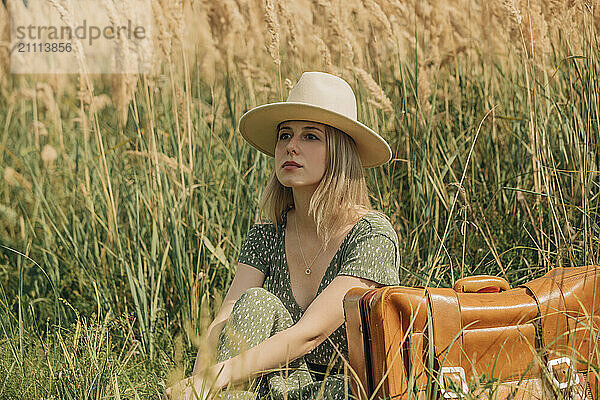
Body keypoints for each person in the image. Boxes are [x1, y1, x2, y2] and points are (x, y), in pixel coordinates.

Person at [165, 72, 400, 400]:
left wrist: (216, 377)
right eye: (285, 135)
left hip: (339, 389)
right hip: (266, 387)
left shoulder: (371, 236)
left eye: (311, 137)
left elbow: (311, 334)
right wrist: (197, 383)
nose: (291, 146)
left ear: (340, 151)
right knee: (254, 303)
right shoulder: (267, 235)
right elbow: (225, 318)